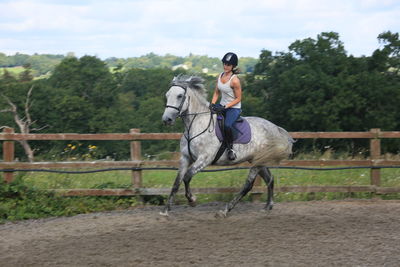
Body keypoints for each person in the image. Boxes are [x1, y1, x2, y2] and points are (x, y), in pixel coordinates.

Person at [210, 52, 242, 160]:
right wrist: (212, 104)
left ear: (233, 66)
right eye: (224, 64)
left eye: (228, 64)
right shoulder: (220, 76)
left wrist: (225, 107)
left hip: (233, 108)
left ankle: (230, 149)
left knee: (227, 125)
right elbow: (216, 93)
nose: (225, 66)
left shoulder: (235, 80)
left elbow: (238, 98)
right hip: (221, 105)